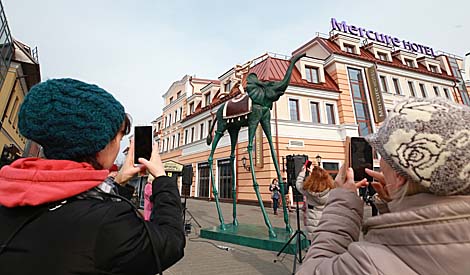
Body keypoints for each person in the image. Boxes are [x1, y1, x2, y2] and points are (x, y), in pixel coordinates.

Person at [0, 78, 185, 275]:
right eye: (120, 137)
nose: (119, 146)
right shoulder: (110, 222)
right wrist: (162, 178)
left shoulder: (11, 189)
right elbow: (170, 242)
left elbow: (80, 203)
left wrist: (117, 183)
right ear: (100, 144)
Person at [297, 98, 470, 274]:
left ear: (398, 176)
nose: (379, 161)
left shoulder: (369, 263)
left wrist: (342, 203)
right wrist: (398, 205)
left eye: (382, 154)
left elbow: (312, 270)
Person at [295, 165, 335, 242]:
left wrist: (303, 172)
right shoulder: (330, 189)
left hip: (312, 221)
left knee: (313, 244)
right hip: (326, 220)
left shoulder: (307, 190)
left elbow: (298, 184)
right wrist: (318, 174)